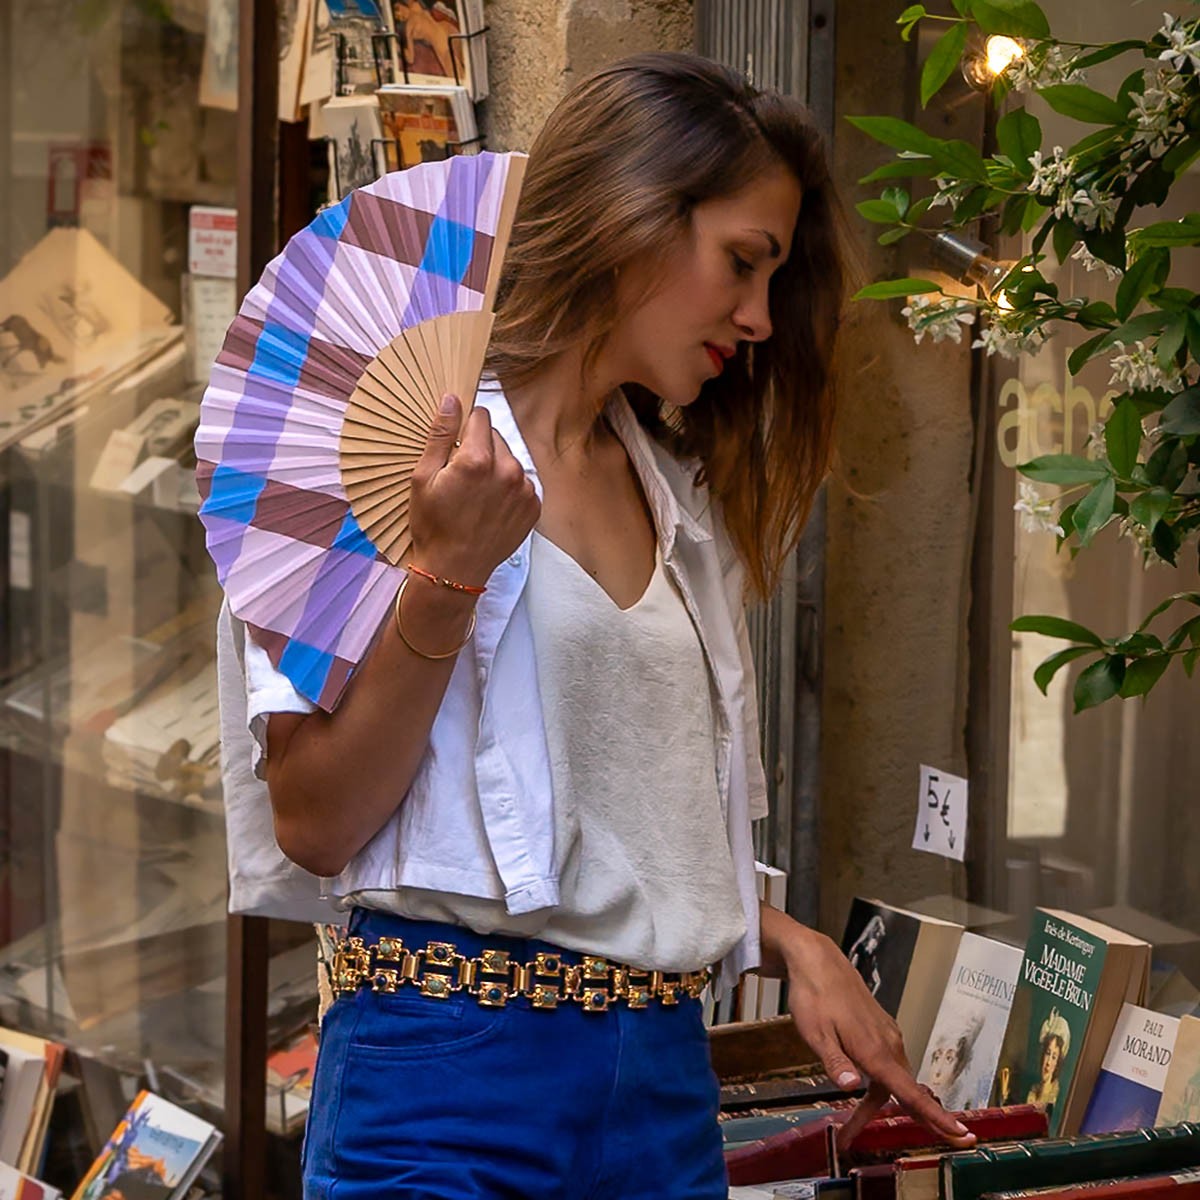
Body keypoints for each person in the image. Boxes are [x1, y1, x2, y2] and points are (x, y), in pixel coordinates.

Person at [218, 51, 975, 1198]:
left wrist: (785, 938)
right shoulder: (389, 445)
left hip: (662, 1095)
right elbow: (315, 820)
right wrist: (449, 571)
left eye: (773, 280)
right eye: (743, 262)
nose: (759, 318)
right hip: (443, 1087)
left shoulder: (683, 505)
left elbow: (609, 837)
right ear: (632, 216)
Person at [1026, 1009, 1070, 1109]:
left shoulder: (1055, 1098)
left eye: (1054, 1057)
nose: (1048, 1063)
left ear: (1057, 1063)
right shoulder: (1033, 1092)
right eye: (1048, 1053)